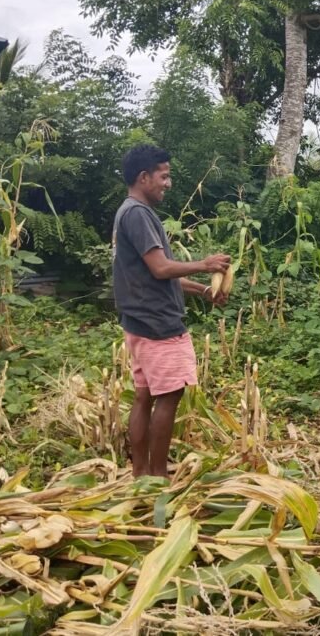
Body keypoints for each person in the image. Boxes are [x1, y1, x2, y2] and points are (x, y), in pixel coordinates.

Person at [112, 144, 231, 477]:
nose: (168, 183)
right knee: (168, 396)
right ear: (144, 177)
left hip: (140, 320)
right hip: (156, 324)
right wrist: (205, 264)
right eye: (164, 176)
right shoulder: (137, 213)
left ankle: (142, 474)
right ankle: (158, 475)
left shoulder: (132, 212)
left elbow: (157, 277)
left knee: (144, 396)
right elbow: (162, 269)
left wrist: (204, 290)